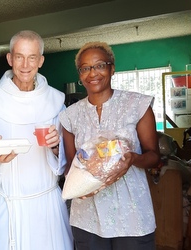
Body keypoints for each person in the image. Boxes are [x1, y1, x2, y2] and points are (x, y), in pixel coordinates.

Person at [59, 42, 161, 250]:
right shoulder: (70, 116)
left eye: (99, 65)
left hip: (131, 215)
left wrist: (133, 158)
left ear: (112, 68)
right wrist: (76, 183)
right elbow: (71, 166)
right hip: (87, 216)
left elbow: (154, 156)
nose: (92, 73)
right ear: (80, 75)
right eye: (85, 68)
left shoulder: (137, 105)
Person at [0, 30, 73, 250]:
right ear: (9, 59)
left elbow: (67, 157)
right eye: (19, 56)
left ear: (41, 61)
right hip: (7, 205)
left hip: (47, 206)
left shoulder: (55, 100)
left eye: (32, 57)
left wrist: (56, 147)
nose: (25, 64)